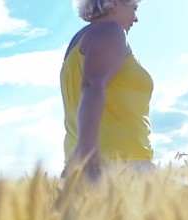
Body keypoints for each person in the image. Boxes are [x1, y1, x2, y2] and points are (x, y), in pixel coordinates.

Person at [60, 0, 155, 182]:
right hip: (118, 163)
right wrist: (87, 147)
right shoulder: (110, 31)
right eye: (134, 8)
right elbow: (92, 85)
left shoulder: (77, 42)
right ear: (114, 3)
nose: (136, 19)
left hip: (83, 161)